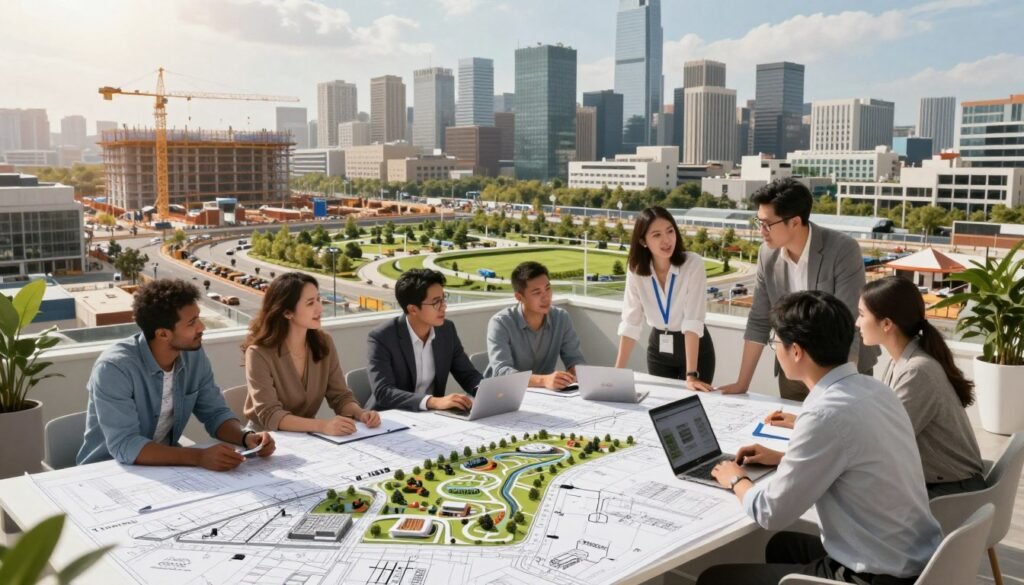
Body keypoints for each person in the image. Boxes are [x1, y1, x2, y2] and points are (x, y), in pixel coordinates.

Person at [699, 291, 941, 585]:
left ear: (797, 351)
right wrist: (782, 459)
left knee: (714, 579)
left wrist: (736, 479)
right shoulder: (875, 390)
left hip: (876, 576)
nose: (775, 349)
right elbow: (854, 459)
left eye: (776, 343)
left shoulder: (824, 414)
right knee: (781, 545)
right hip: (918, 559)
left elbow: (770, 512)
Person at [77, 279, 275, 469]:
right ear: (163, 334)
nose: (202, 327)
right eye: (191, 323)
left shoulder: (193, 356)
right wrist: (198, 458)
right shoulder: (114, 368)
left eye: (198, 318)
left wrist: (246, 436)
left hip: (166, 468)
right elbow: (125, 445)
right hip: (108, 470)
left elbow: (215, 413)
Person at [718, 178, 878, 401]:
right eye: (758, 222)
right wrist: (742, 383)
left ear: (794, 222)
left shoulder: (842, 250)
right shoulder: (767, 254)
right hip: (793, 370)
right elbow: (759, 319)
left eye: (767, 224)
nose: (761, 231)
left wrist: (838, 392)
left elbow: (848, 324)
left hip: (843, 370)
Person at [856, 276, 984, 498]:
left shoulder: (917, 371)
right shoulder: (903, 362)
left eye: (861, 314)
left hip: (953, 492)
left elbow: (883, 439)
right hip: (939, 484)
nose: (857, 323)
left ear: (887, 324)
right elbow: (878, 421)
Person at [243, 272, 380, 435]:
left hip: (307, 437)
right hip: (266, 440)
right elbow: (270, 415)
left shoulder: (324, 343)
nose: (320, 308)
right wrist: (322, 426)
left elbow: (340, 396)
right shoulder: (258, 353)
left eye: (318, 300)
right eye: (310, 303)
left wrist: (361, 413)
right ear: (287, 312)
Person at [615, 206, 715, 389]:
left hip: (694, 348)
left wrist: (691, 375)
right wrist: (616, 373)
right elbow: (631, 321)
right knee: (662, 407)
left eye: (670, 231)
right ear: (643, 241)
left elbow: (693, 320)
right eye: (656, 235)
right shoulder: (636, 269)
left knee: (693, 403)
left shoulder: (692, 264)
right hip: (658, 349)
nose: (667, 240)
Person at [367, 269, 480, 412]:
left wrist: (484, 392)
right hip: (389, 420)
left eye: (443, 299)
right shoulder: (382, 337)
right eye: (436, 302)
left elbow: (467, 374)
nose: (444, 306)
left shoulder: (446, 330)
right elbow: (384, 392)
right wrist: (432, 401)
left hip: (432, 419)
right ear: (413, 309)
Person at [484, 261, 585, 389]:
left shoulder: (561, 318)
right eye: (537, 292)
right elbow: (501, 373)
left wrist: (576, 375)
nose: (546, 297)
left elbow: (575, 359)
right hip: (502, 395)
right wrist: (543, 380)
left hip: (542, 396)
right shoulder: (500, 323)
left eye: (548, 289)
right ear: (519, 297)